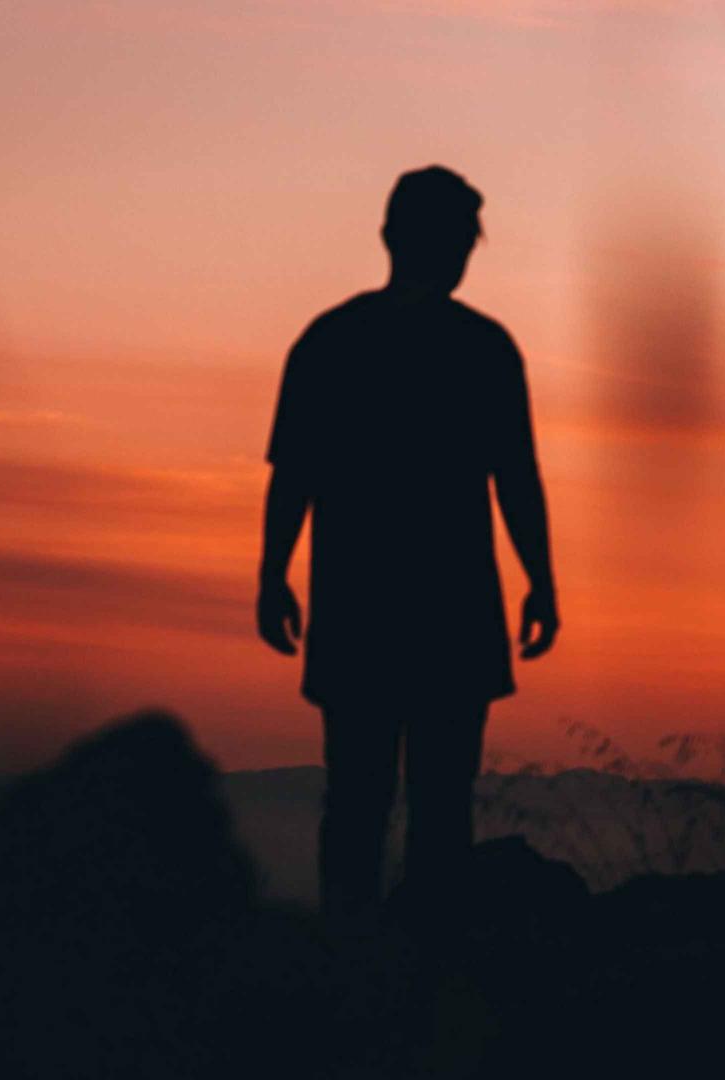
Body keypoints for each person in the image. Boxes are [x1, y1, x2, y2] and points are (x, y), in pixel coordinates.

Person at [256, 165, 558, 929]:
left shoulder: (332, 340)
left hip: (360, 608)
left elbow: (295, 475)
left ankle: (350, 953)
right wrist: (541, 582)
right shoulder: (482, 348)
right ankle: (425, 960)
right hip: (450, 611)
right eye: (460, 240)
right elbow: (515, 479)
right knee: (438, 805)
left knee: (358, 801)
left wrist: (273, 576)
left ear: (390, 236)